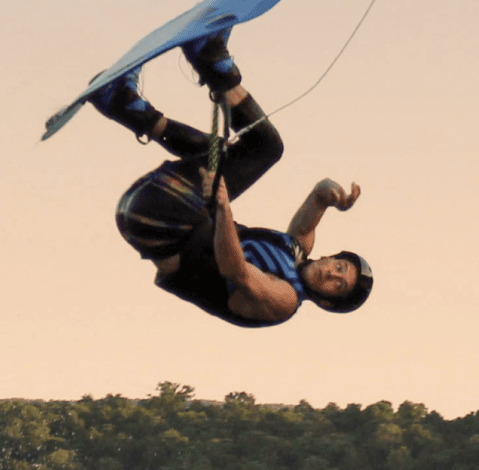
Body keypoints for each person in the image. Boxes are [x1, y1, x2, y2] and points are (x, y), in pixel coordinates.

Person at [89, 32, 373, 327]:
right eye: (340, 267)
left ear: (325, 302)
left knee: (264, 149)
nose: (332, 274)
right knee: (228, 153)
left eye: (338, 285)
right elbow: (318, 197)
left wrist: (223, 208)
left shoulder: (285, 301)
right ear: (330, 257)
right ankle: (123, 103)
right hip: (166, 209)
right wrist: (332, 196)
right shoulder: (296, 250)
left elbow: (237, 272)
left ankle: (211, 61)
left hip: (164, 224)